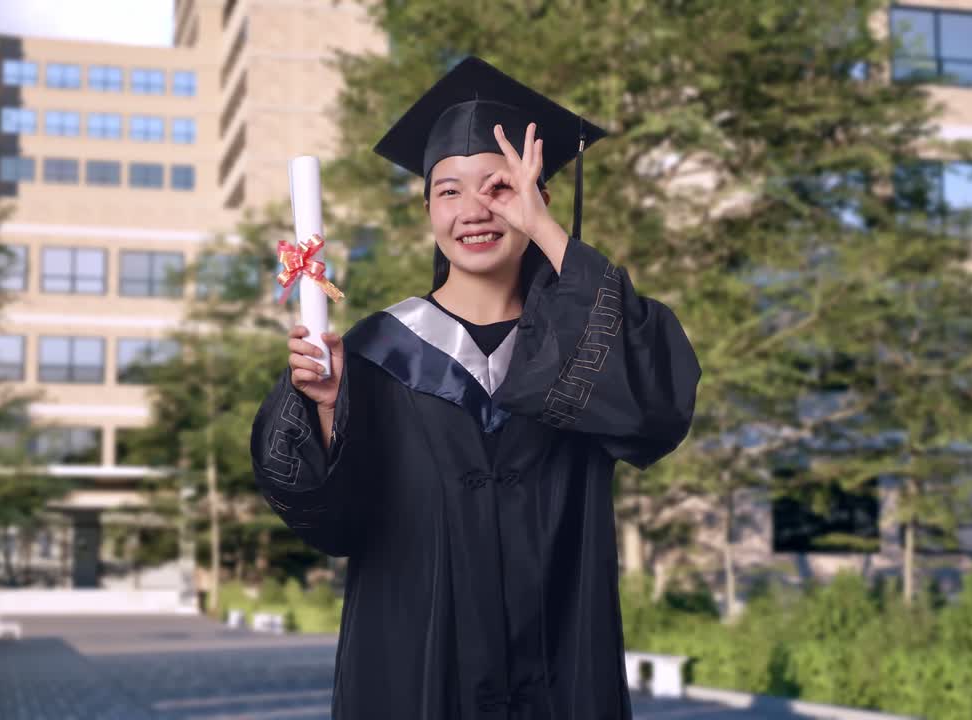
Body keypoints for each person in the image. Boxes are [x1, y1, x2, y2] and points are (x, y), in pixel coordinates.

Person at [251, 56, 701, 719]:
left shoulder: (586, 340)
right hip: (416, 673)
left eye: (500, 188)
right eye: (449, 190)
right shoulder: (374, 353)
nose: (474, 211)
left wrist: (548, 233)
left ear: (539, 196)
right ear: (428, 209)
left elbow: (655, 413)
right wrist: (326, 412)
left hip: (559, 671)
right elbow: (330, 521)